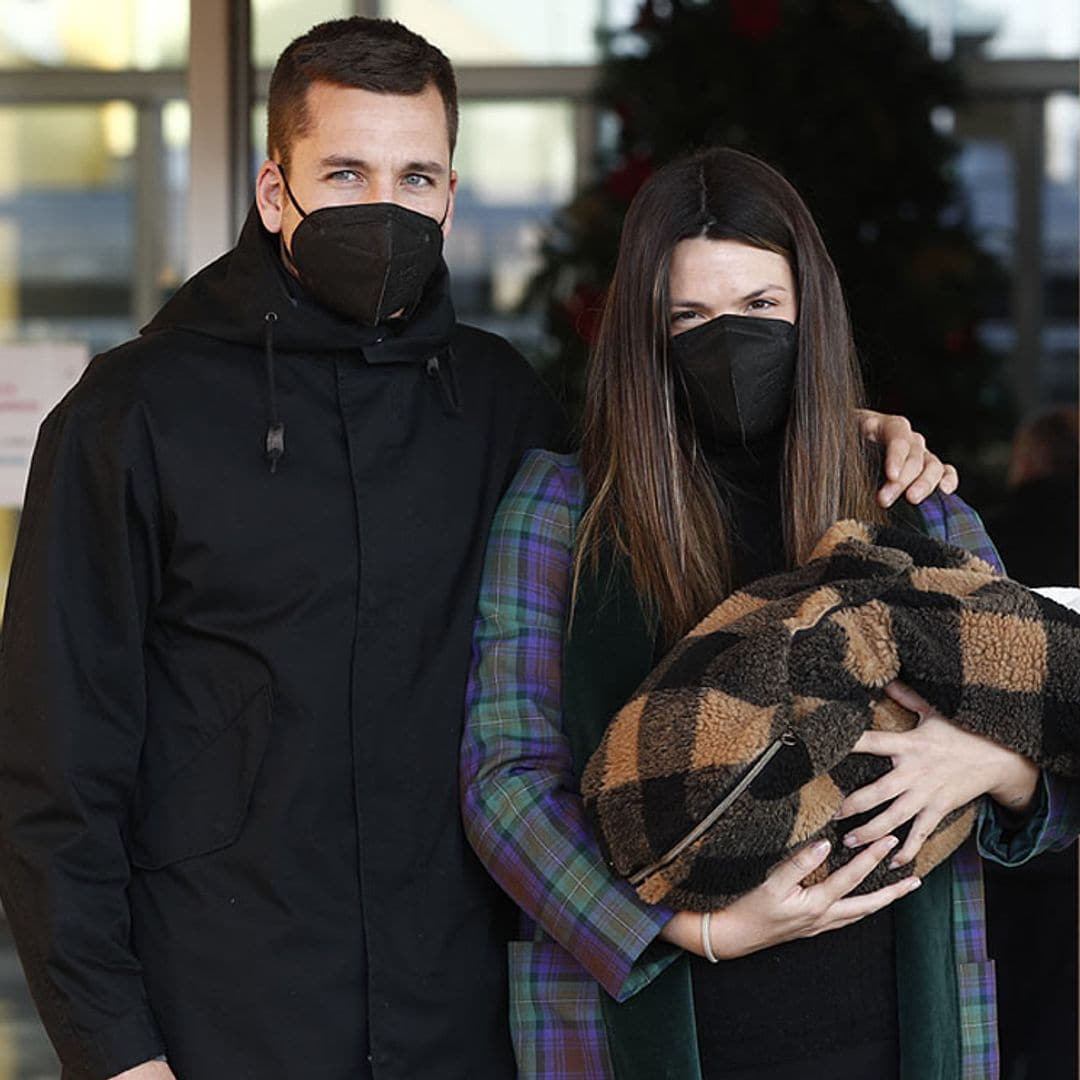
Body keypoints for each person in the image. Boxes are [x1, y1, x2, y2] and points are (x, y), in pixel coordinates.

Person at [0, 17, 955, 1080]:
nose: (386, 206)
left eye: (416, 176)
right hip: (218, 1019)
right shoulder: (129, 417)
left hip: (462, 1026)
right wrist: (116, 1054)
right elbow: (54, 771)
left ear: (450, 195)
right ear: (277, 192)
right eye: (346, 171)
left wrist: (847, 427)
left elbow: (662, 487)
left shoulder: (500, 403)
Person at [461, 146, 1080, 1080]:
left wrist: (995, 763)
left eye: (760, 308)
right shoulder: (562, 511)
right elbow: (503, 777)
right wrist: (693, 930)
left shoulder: (914, 502)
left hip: (900, 1030)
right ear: (643, 332)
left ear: (809, 312)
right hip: (647, 1029)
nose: (731, 339)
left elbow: (1055, 730)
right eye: (691, 316)